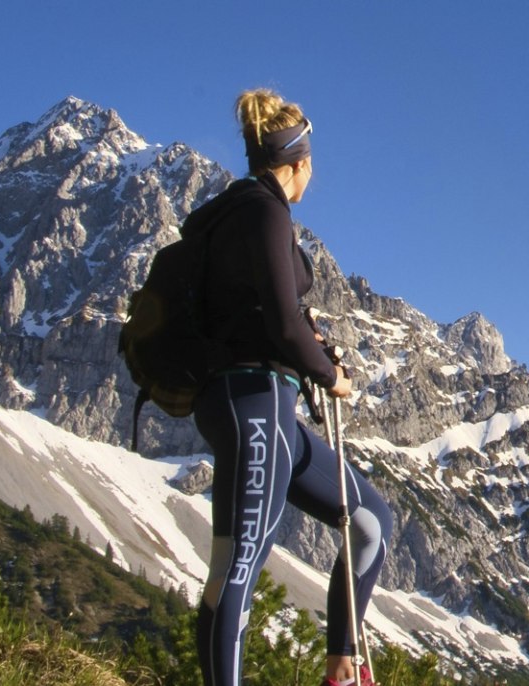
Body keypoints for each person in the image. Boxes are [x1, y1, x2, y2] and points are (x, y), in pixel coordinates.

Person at [186, 88, 393, 686]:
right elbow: (280, 321)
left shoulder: (239, 211)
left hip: (264, 402)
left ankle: (341, 668)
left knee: (369, 520)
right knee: (237, 565)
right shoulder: (263, 211)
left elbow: (272, 316)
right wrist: (332, 375)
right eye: (313, 162)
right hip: (252, 399)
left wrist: (311, 350)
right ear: (299, 161)